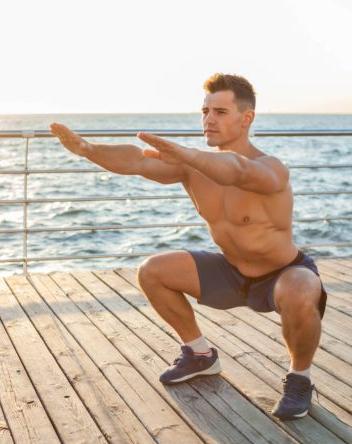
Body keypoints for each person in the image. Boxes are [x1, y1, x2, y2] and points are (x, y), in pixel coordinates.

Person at [50, 73, 327, 420]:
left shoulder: (270, 169)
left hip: (282, 275)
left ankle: (300, 379)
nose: (209, 119)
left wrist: (189, 156)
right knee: (153, 271)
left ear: (247, 118)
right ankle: (199, 354)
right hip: (231, 272)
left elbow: (236, 171)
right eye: (205, 110)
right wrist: (86, 150)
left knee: (303, 289)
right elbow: (136, 161)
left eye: (221, 112)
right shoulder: (191, 167)